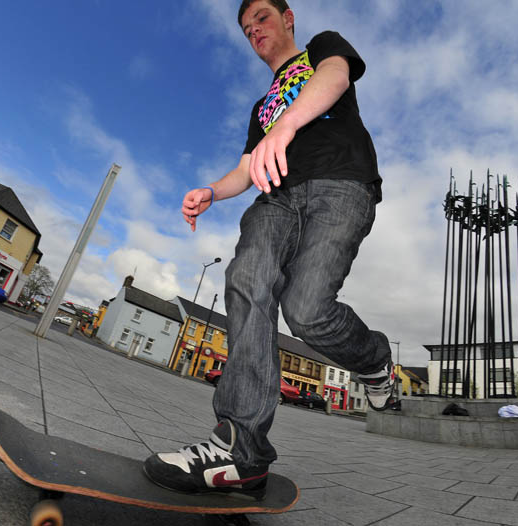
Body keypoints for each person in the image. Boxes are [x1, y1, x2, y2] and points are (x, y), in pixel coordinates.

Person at [144, 0, 394, 500]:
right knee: (246, 278)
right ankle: (241, 449)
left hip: (341, 187)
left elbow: (336, 79)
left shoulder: (321, 50)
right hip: (276, 200)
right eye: (245, 28)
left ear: (287, 18)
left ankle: (373, 359)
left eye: (261, 17)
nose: (253, 30)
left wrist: (287, 127)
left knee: (307, 312)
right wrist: (211, 191)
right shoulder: (262, 107)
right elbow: (246, 168)